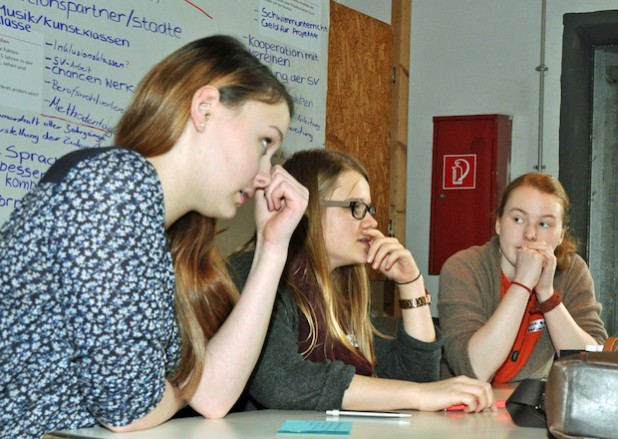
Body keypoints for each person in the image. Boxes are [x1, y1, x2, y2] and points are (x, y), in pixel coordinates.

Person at [0, 35, 308, 438]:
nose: (266, 174)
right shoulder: (114, 188)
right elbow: (129, 410)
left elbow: (213, 396)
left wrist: (273, 248)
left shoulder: (156, 228)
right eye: (264, 142)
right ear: (205, 108)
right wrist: (183, 384)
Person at [229, 148, 494, 413]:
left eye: (369, 208)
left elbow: (417, 378)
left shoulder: (342, 288)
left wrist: (410, 283)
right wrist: (420, 394)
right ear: (307, 209)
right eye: (355, 207)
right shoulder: (254, 272)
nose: (372, 222)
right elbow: (283, 382)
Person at [438, 173, 607, 383]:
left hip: (529, 405)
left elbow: (593, 370)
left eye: (544, 224)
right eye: (518, 219)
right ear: (498, 223)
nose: (530, 234)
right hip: (463, 407)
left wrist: (547, 294)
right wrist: (523, 283)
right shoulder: (464, 267)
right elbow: (475, 370)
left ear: (561, 234)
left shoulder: (572, 271)